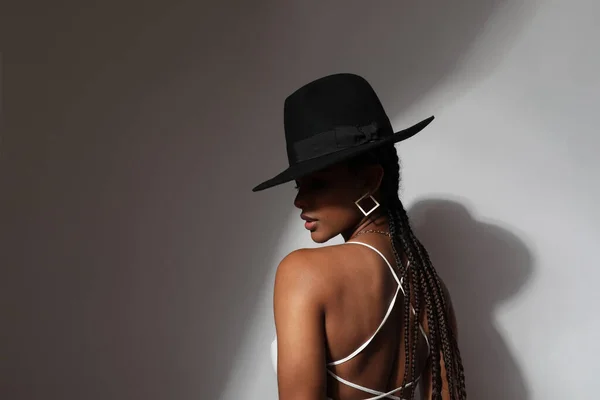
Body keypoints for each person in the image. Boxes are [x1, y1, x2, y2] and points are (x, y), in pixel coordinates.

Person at [252, 73, 466, 400]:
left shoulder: (302, 273)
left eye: (318, 183)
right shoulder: (431, 290)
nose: (299, 200)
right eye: (299, 186)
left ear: (369, 181)